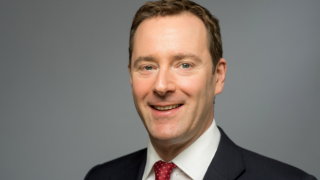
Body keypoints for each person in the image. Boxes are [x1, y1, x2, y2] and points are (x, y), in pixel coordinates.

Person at [84, 0, 317, 179]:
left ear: (218, 76)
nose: (162, 86)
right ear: (131, 77)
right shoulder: (100, 177)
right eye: (147, 66)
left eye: (184, 65)